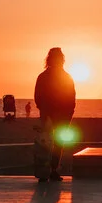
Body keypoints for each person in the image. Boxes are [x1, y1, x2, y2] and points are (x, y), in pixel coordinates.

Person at [34, 47, 76, 181]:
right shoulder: (66, 77)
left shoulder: (43, 76)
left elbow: (37, 97)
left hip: (48, 114)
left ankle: (45, 170)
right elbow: (71, 98)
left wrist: (43, 110)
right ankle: (52, 170)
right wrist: (69, 113)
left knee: (46, 143)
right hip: (60, 115)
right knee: (57, 143)